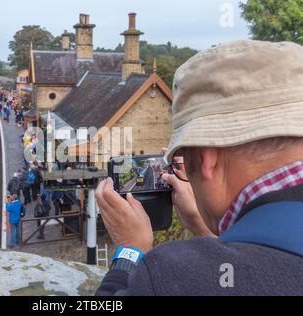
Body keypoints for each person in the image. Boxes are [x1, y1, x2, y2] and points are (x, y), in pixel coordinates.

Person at [95, 41, 303, 296]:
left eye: (184, 165)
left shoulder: (173, 277)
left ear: (207, 160)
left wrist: (130, 248)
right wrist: (205, 227)